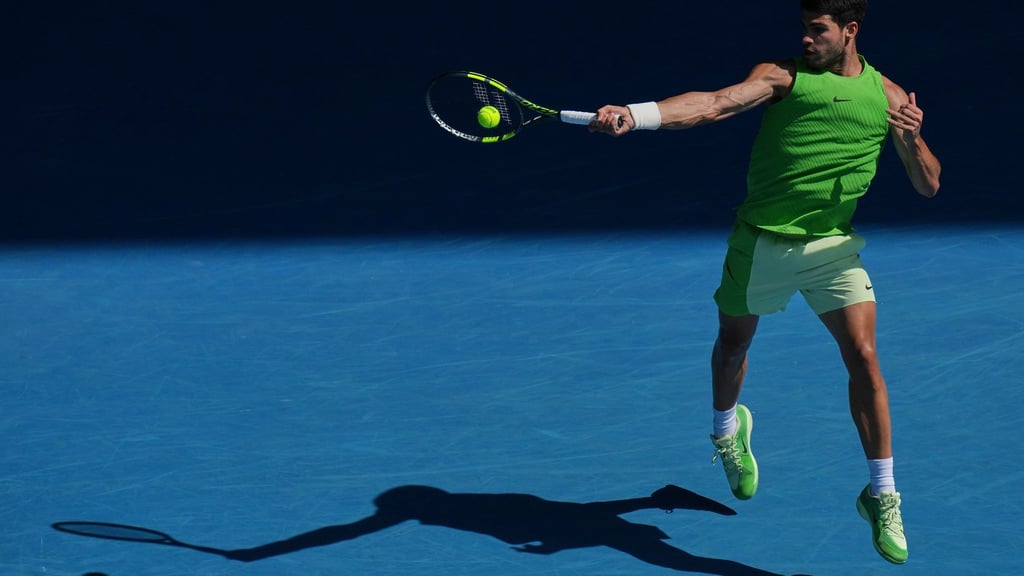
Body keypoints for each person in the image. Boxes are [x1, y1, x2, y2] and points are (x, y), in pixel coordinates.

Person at [588, 0, 941, 565]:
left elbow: (929, 185)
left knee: (865, 358)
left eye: (818, 30)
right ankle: (727, 430)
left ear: (850, 31)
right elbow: (714, 105)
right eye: (803, 28)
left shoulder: (892, 98)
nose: (806, 39)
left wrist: (911, 141)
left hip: (832, 248)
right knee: (733, 346)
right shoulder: (782, 77)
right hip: (762, 244)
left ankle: (882, 493)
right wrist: (639, 113)